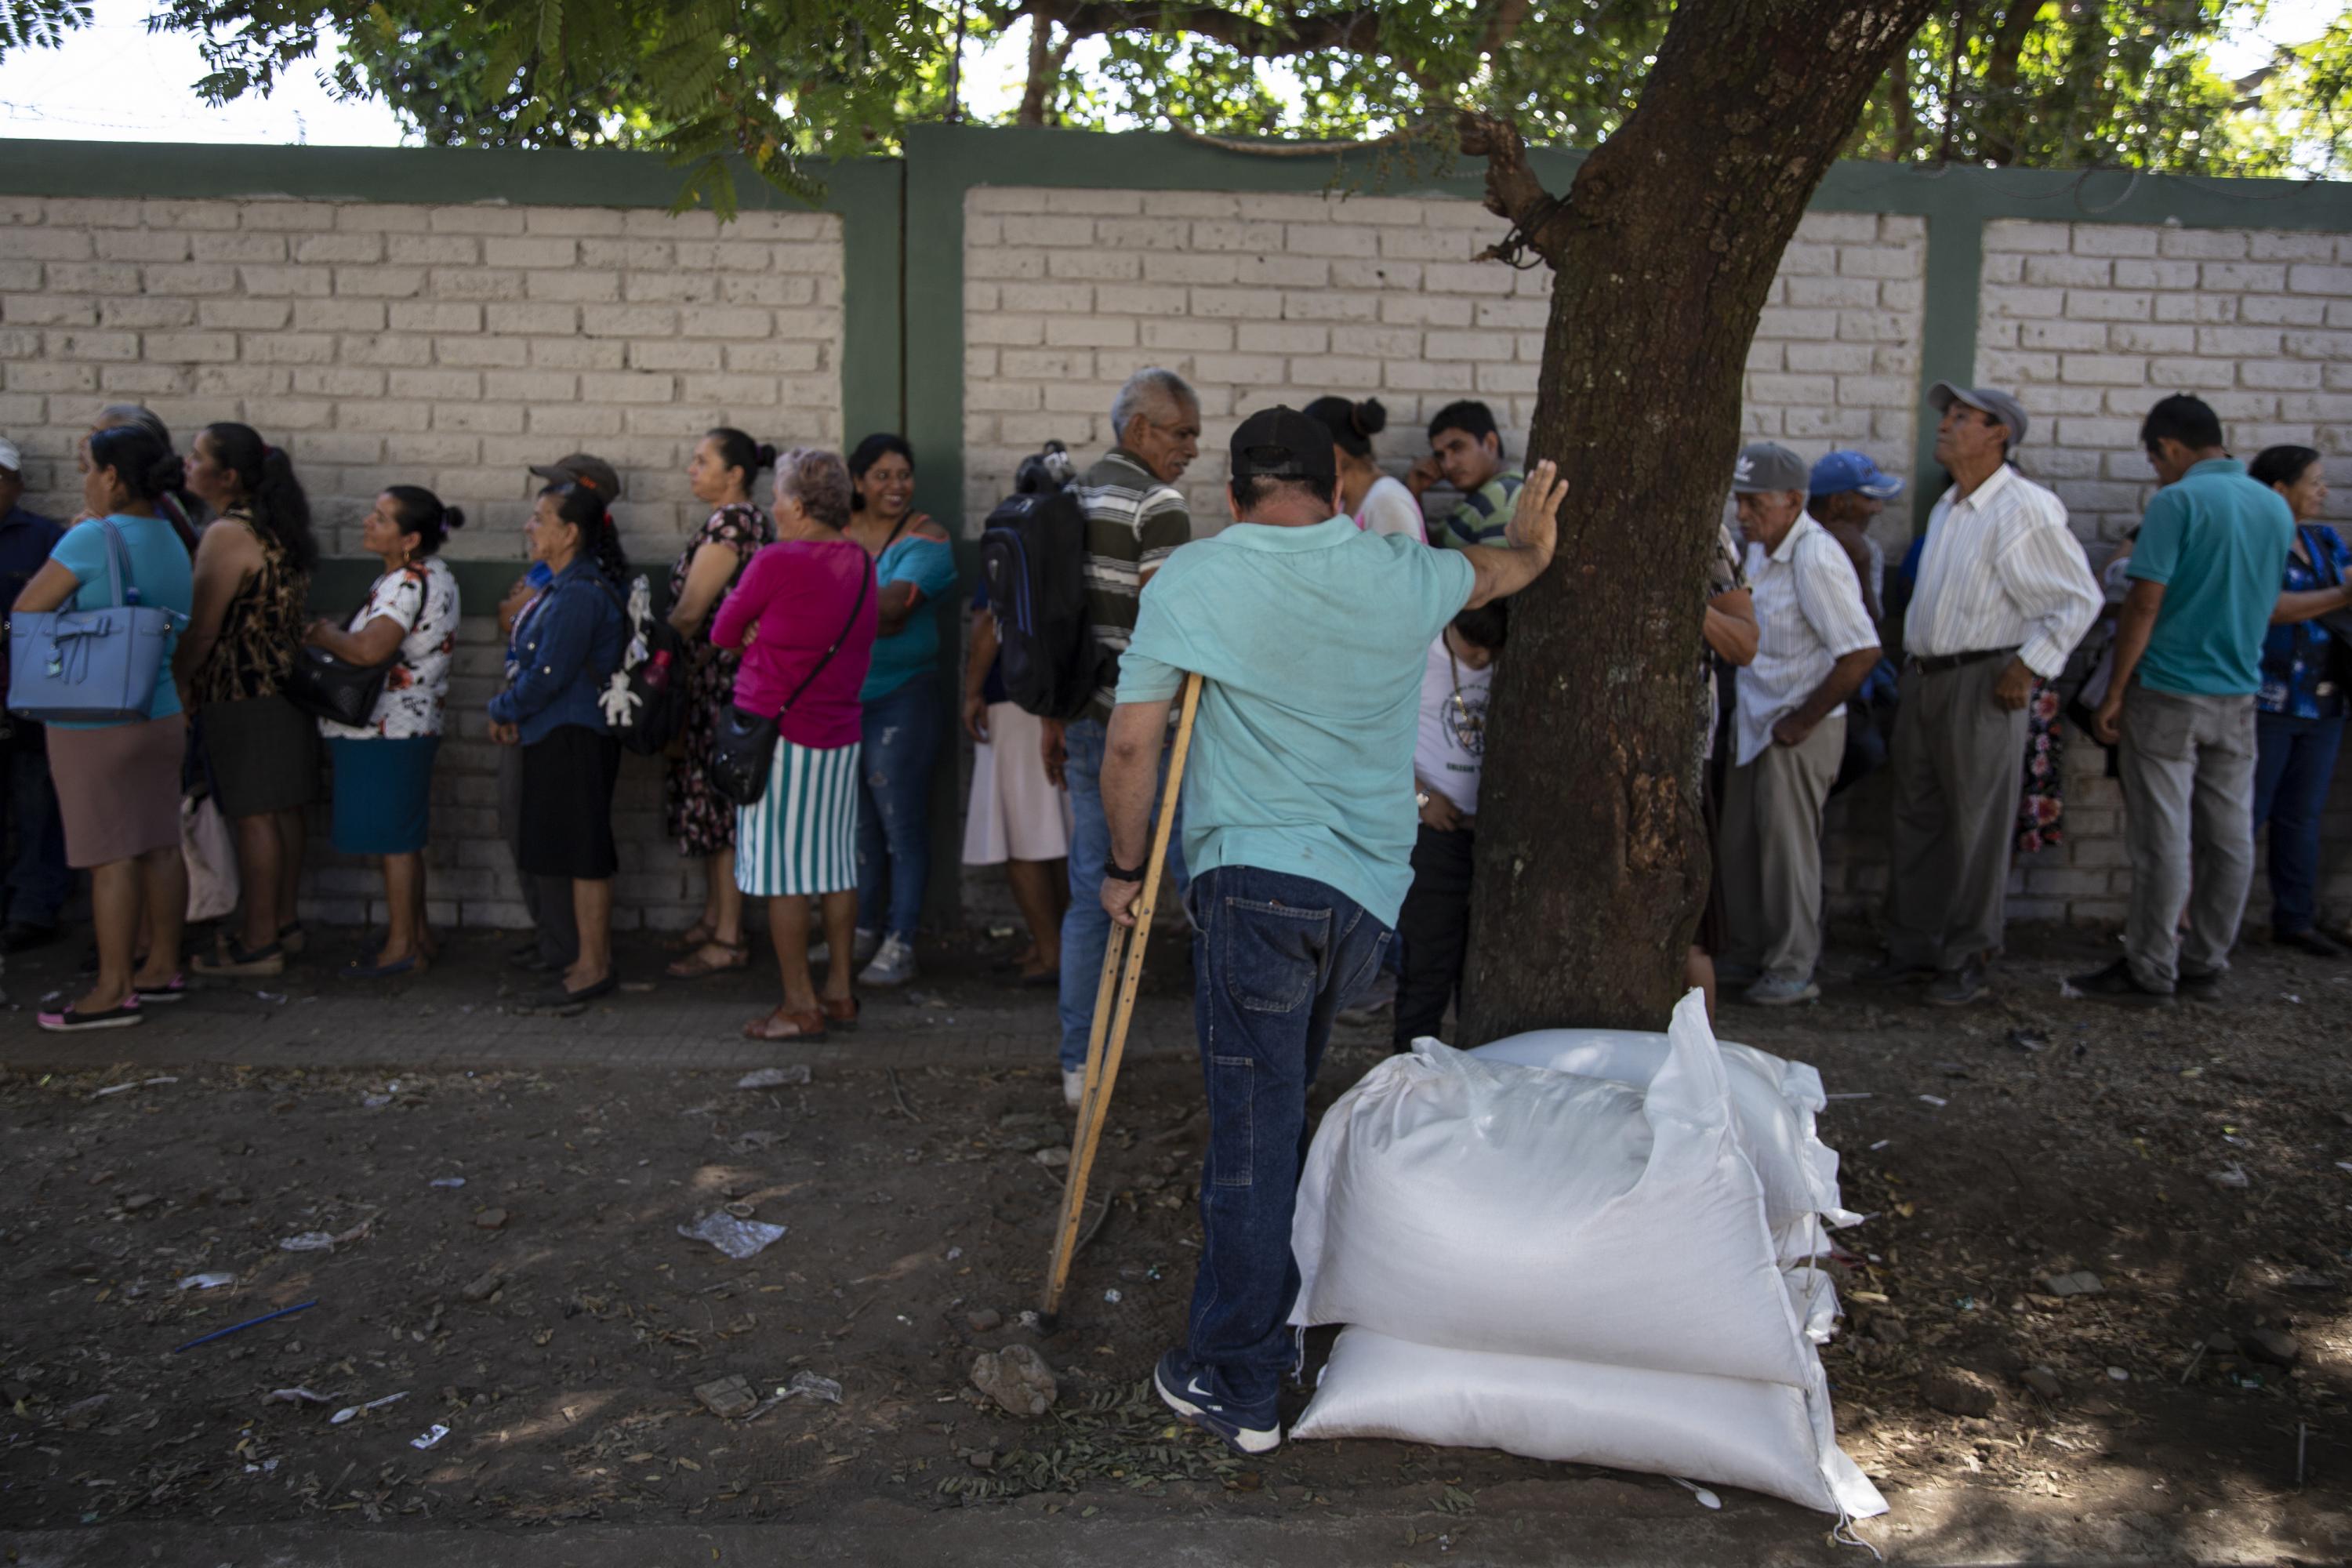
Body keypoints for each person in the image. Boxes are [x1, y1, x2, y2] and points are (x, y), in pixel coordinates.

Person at [1098, 405, 1566, 1455]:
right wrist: (1534, 545)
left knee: (1254, 1138)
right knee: (1276, 1117)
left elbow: (1133, 748)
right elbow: (1494, 575)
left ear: (1230, 496)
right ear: (1340, 491)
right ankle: (1270, 1327)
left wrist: (1125, 872)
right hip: (1362, 902)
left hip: (1256, 887)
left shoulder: (1193, 581)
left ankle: (1240, 1378)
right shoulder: (1400, 572)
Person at [1865, 385, 2100, 1006]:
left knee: (1977, 825)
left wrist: (2029, 668)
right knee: (1916, 815)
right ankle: (1912, 948)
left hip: (1985, 680)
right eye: (1947, 415)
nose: (1945, 425)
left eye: (1962, 418)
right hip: (1928, 677)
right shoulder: (1950, 505)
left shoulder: (2023, 507)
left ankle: (1967, 956)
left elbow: (2078, 601)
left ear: (1999, 434)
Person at [2074, 395, 2293, 1004]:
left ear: (2169, 448)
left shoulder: (2178, 502)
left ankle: (2149, 968)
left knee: (2162, 838)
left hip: (2169, 690)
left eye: (2155, 460)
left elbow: (2145, 601)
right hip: (2240, 693)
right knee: (2230, 837)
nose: (2157, 473)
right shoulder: (2273, 506)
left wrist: (2115, 690)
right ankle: (2207, 962)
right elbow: (2267, 600)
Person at [1050, 367, 1202, 1106]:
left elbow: (1061, 622)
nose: (1193, 451)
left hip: (1085, 720)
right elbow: (1169, 624)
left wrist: (1058, 716)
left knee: (1092, 893)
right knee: (1206, 889)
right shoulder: (1158, 502)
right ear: (1140, 429)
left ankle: (1079, 1065)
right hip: (1154, 732)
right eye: (1182, 434)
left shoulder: (1074, 494)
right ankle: (1228, 1055)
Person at [12, 424, 194, 1029]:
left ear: (113, 477)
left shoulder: (91, 538)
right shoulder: (173, 535)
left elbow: (28, 611)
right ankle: (162, 967)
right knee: (159, 844)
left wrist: (76, 536)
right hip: (160, 706)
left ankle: (112, 991)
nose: (86, 480)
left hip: (91, 717)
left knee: (108, 855)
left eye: (89, 469)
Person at [711, 448, 880, 1042]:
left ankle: (798, 1006)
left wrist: (759, 635)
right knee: (835, 867)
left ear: (801, 506)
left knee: (783, 875)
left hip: (780, 740)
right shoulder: (860, 560)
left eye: (780, 497)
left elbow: (722, 631)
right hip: (839, 736)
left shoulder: (776, 562)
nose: (773, 507)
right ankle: (838, 991)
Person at [1718, 441, 1881, 1007]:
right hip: (1758, 719)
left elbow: (1861, 651)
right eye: (1739, 501)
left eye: (1754, 503)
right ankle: (1747, 953)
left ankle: (1792, 968)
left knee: (1789, 852)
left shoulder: (1816, 555)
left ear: (1794, 500)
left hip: (1799, 725)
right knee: (1741, 846)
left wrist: (1803, 720)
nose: (1742, 515)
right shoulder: (1762, 549)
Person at [174, 423, 320, 979]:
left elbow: (204, 630)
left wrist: (183, 683)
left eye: (197, 457)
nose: (187, 465)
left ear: (227, 476)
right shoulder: (278, 526)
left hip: (241, 691)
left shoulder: (227, 534)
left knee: (255, 815)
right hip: (285, 688)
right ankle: (283, 922)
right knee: (282, 810)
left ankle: (259, 940)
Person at [305, 486, 464, 978]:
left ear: (410, 537)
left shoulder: (406, 584)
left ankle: (401, 947)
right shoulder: (432, 575)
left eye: (381, 518)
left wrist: (324, 634)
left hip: (388, 728)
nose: (367, 522)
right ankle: (415, 933)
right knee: (403, 835)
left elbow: (372, 650)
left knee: (395, 839)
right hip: (407, 725)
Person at [487, 482, 630, 1015]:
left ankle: (593, 965)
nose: (531, 526)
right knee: (569, 849)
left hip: (575, 736)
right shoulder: (561, 585)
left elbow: (549, 674)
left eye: (541, 518)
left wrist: (502, 710)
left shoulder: (579, 593)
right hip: (554, 734)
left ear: (569, 533)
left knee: (584, 852)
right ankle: (582, 961)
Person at [837, 433, 956, 989]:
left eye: (903, 474)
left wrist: (824, 596)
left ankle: (901, 942)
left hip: (902, 699)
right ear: (858, 481)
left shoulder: (928, 537)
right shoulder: (839, 533)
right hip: (842, 700)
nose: (895, 485)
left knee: (900, 826)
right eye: (881, 475)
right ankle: (862, 931)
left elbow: (890, 613)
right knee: (858, 827)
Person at [662, 429, 778, 982]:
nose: (692, 469)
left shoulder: (733, 525)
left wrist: (662, 662)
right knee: (710, 802)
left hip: (722, 686)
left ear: (735, 474)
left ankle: (729, 936)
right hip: (718, 682)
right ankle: (716, 917)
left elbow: (690, 613)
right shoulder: (736, 523)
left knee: (722, 805)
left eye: (702, 461)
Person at [1391, 601, 1506, 1047]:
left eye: (1490, 650)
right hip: (1433, 835)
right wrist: (1421, 798)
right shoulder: (1415, 657)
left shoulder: (1509, 657)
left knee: (1483, 968)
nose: (1480, 658)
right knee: (1429, 964)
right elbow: (1377, 741)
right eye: (1471, 646)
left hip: (1492, 835)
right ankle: (1411, 1067)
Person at [2247, 445, 2347, 957]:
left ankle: (2296, 920)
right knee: (2249, 813)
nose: (2324, 490)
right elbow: (2270, 609)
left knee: (2302, 817)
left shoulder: (2325, 541)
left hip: (2325, 704)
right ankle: (2212, 926)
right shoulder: (2258, 543)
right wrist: (2342, 596)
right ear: (2280, 490)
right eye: (2314, 481)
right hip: (2268, 704)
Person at [962, 574, 1069, 986]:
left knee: (1022, 838)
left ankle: (1050, 952)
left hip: (1015, 696)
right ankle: (1058, 944)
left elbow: (990, 624)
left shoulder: (1015, 532)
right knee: (1055, 833)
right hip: (1062, 698)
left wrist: (972, 692)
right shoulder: (1074, 529)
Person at [0, 436, 70, 951]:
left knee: (36, 800)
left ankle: (34, 907)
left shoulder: (45, 538)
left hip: (29, 692)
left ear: (17, 485)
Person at [1692, 515, 1759, 1018]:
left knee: (1691, 932)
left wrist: (1687, 607)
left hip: (1683, 756)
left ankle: (1701, 1072)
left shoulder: (1703, 530)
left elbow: (1743, 643)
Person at [1405, 400, 1523, 552]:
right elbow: (1438, 557)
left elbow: (1496, 573)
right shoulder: (1488, 496)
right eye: (1440, 456)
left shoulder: (1502, 496)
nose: (1448, 465)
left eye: (1457, 448)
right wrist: (1415, 492)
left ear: (1490, 443)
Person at [1305, 396, 1423, 540]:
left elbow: (1405, 562)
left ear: (1334, 451)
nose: (1305, 464)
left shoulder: (1386, 500)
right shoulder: (1342, 500)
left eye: (1307, 452)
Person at [1808, 450, 1904, 627]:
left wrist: (1861, 562)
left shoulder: (1869, 550)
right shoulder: (1789, 540)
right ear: (1837, 503)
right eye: (1870, 499)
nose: (1878, 509)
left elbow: (1870, 625)